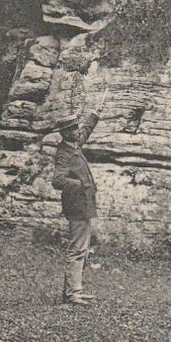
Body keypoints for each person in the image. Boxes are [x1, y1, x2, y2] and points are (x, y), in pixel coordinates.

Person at [50, 109, 100, 306]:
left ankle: (74, 290)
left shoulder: (75, 144)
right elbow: (57, 180)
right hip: (76, 205)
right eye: (72, 129)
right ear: (64, 133)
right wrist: (79, 184)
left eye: (76, 126)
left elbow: (86, 130)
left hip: (83, 205)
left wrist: (94, 116)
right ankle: (72, 294)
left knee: (82, 248)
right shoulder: (64, 153)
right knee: (77, 249)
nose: (77, 130)